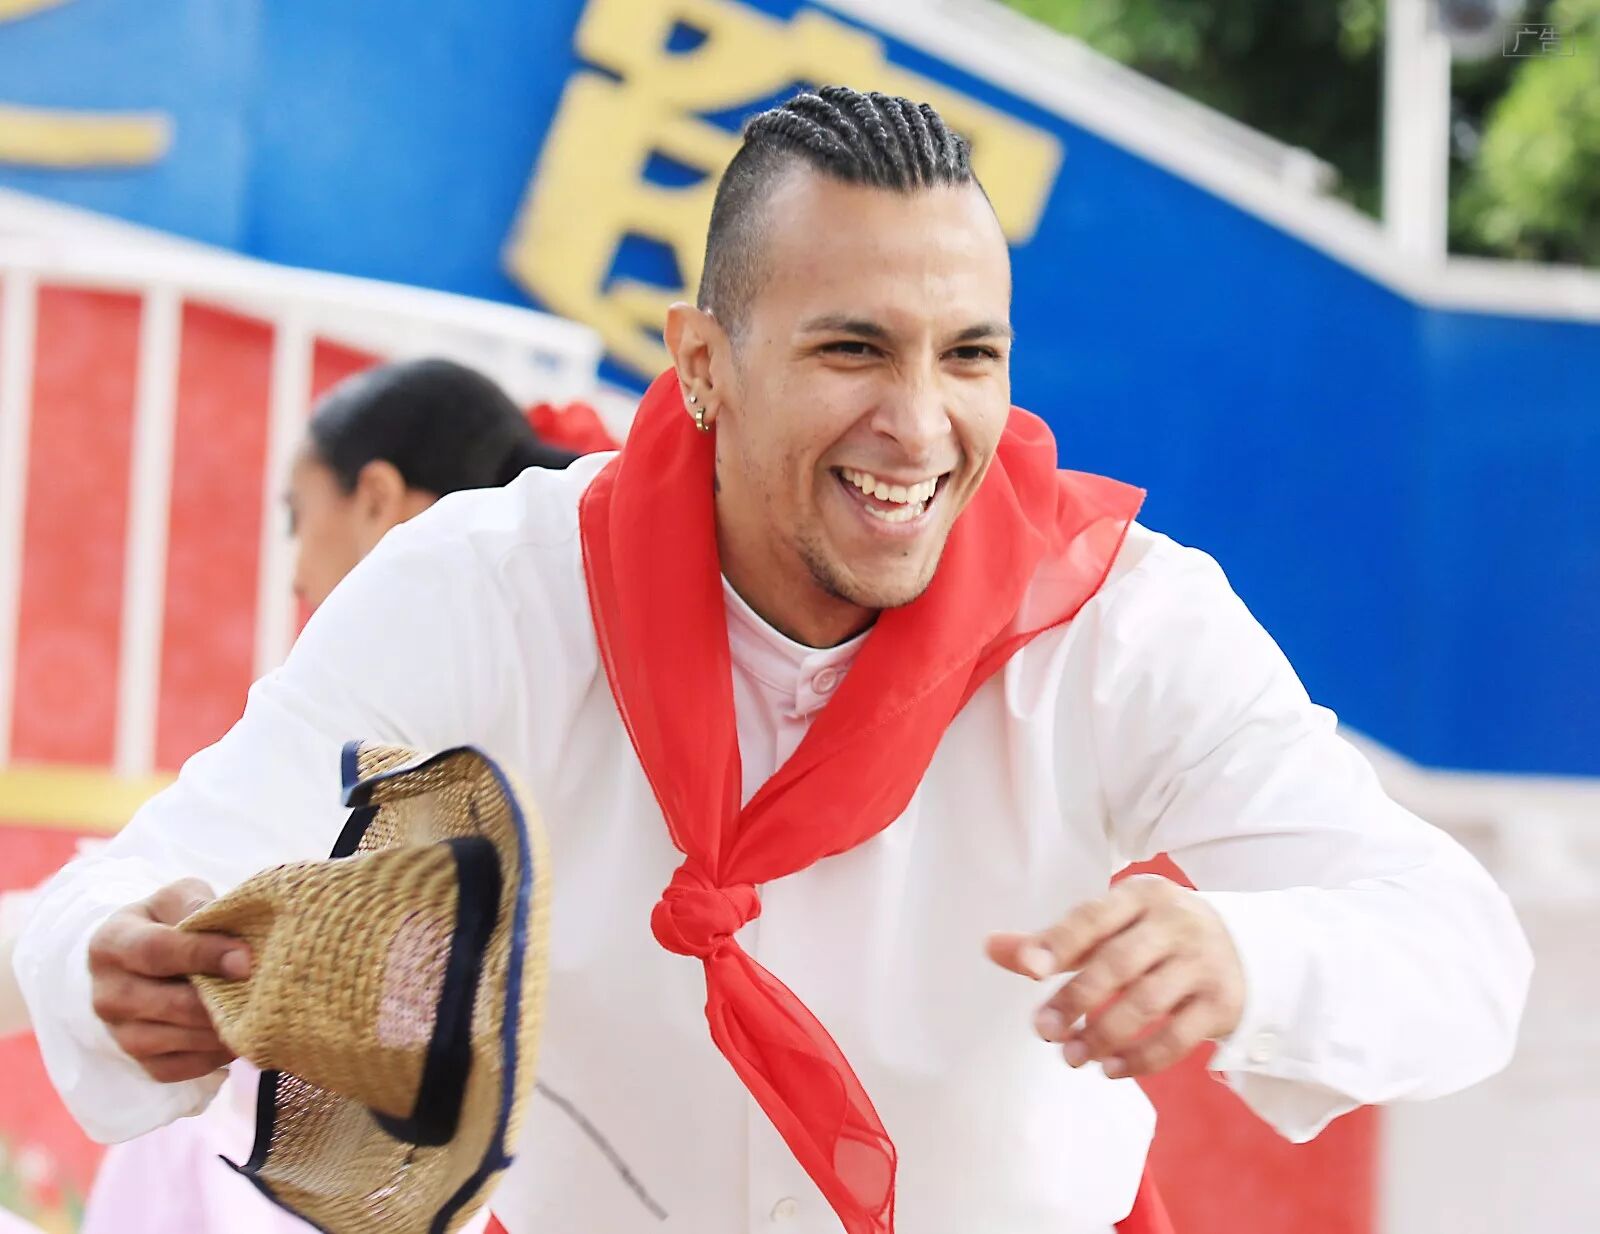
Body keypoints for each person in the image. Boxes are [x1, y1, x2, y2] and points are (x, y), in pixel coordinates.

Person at [16, 88, 1529, 1234]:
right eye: (852, 348)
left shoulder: (1125, 627)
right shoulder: (494, 586)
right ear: (701, 363)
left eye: (970, 354)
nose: (919, 426)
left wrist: (1248, 956)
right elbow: (153, 878)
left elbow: (1460, 950)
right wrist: (116, 968)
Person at [2, 357, 577, 1234]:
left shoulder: (399, 707)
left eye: (297, 516)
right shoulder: (564, 669)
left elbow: (185, 878)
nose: (295, 571)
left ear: (377, 500)